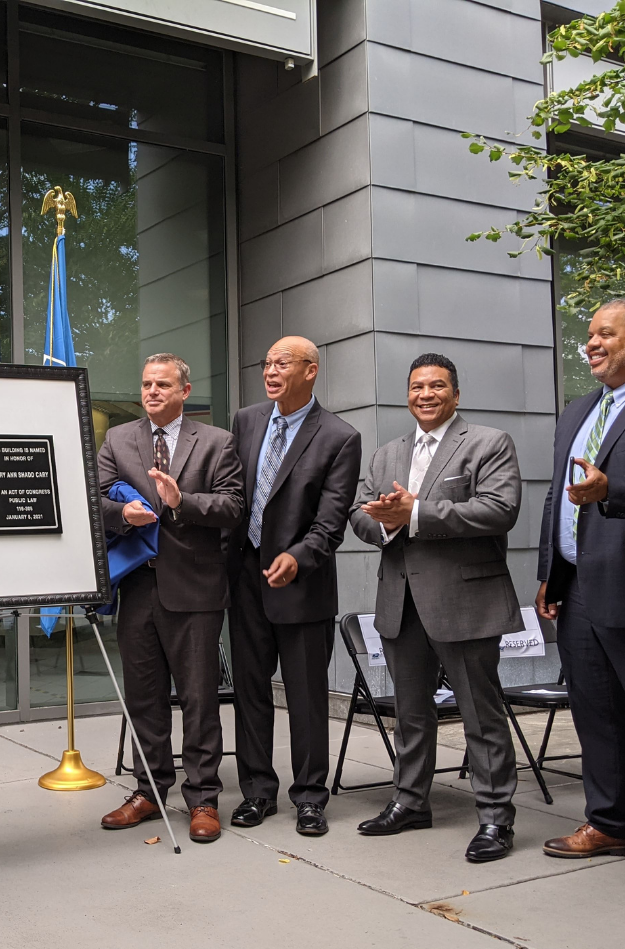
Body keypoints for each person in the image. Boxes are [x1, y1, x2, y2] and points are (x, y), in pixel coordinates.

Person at [348, 354, 522, 863]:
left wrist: (417, 513)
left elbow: (499, 510)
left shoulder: (488, 442)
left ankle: (495, 818)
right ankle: (409, 802)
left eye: (437, 386)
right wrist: (385, 522)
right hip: (401, 603)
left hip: (465, 602)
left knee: (480, 715)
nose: (426, 394)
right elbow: (359, 513)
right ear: (408, 395)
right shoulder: (387, 454)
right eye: (417, 386)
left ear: (456, 394)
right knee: (411, 713)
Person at [95, 354, 245, 843]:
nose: (152, 392)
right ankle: (148, 791)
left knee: (200, 699)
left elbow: (233, 506)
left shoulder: (217, 441)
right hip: (138, 587)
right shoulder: (119, 439)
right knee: (144, 698)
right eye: (146, 384)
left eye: (162, 384)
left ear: (185, 390)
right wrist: (123, 515)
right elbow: (94, 499)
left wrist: (183, 503)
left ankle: (203, 798)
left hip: (195, 591)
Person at [534, 298, 625, 893]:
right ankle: (608, 823)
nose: (592, 343)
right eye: (589, 334)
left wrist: (616, 489)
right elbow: (556, 496)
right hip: (577, 588)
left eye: (606, 333)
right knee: (595, 714)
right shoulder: (579, 409)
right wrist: (549, 574)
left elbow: (608, 490)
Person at [226, 337, 361, 837]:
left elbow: (330, 522)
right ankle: (257, 791)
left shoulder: (340, 436)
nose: (270, 371)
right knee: (250, 692)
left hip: (302, 585)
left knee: (306, 697)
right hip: (245, 580)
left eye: (282, 363)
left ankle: (309, 797)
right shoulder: (246, 421)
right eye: (266, 363)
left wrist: (297, 558)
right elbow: (234, 495)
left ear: (310, 370)